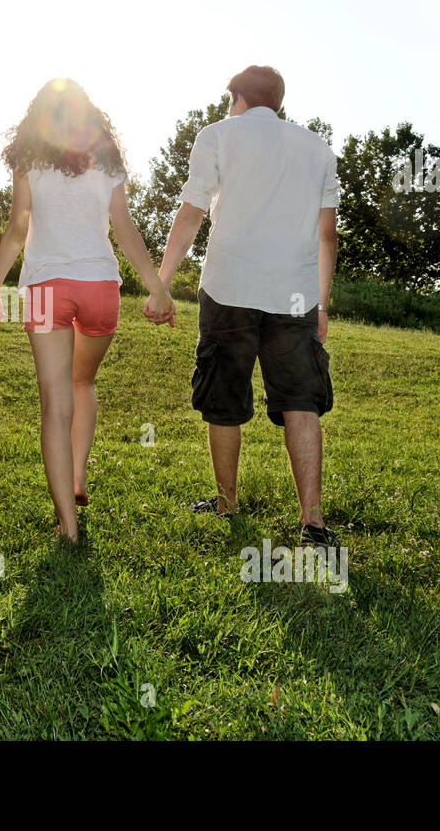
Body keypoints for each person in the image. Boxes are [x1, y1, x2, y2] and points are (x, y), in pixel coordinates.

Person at [0, 78, 173, 543]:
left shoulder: (28, 161)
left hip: (47, 287)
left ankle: (68, 524)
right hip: (100, 286)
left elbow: (18, 230)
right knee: (83, 381)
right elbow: (123, 228)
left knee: (54, 404)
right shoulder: (106, 160)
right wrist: (157, 288)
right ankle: (78, 475)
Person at [154, 65, 342, 550]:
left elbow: (192, 213)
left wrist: (162, 281)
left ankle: (227, 504)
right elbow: (327, 235)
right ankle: (313, 523)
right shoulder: (317, 148)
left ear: (236, 97)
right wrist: (321, 301)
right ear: (277, 101)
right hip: (295, 296)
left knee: (224, 401)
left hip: (229, 289)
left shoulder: (217, 135)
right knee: (301, 402)